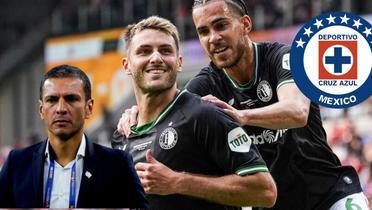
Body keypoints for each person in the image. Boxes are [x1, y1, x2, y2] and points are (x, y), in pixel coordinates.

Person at [117, 1, 369, 209]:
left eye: (221, 25)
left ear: (245, 24)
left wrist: (242, 116)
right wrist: (139, 115)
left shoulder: (283, 57)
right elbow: (172, 110)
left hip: (329, 196)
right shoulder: (205, 84)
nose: (213, 38)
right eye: (203, 31)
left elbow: (298, 111)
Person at [112, 16, 277, 210]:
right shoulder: (122, 135)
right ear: (127, 65)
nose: (156, 58)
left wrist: (177, 182)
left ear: (179, 62)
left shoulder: (204, 115)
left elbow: (264, 191)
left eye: (165, 50)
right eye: (144, 51)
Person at [0, 65, 148, 208]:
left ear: (88, 108)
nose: (61, 109)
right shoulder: (16, 163)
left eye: (71, 99)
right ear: (41, 110)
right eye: (52, 100)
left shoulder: (117, 164)